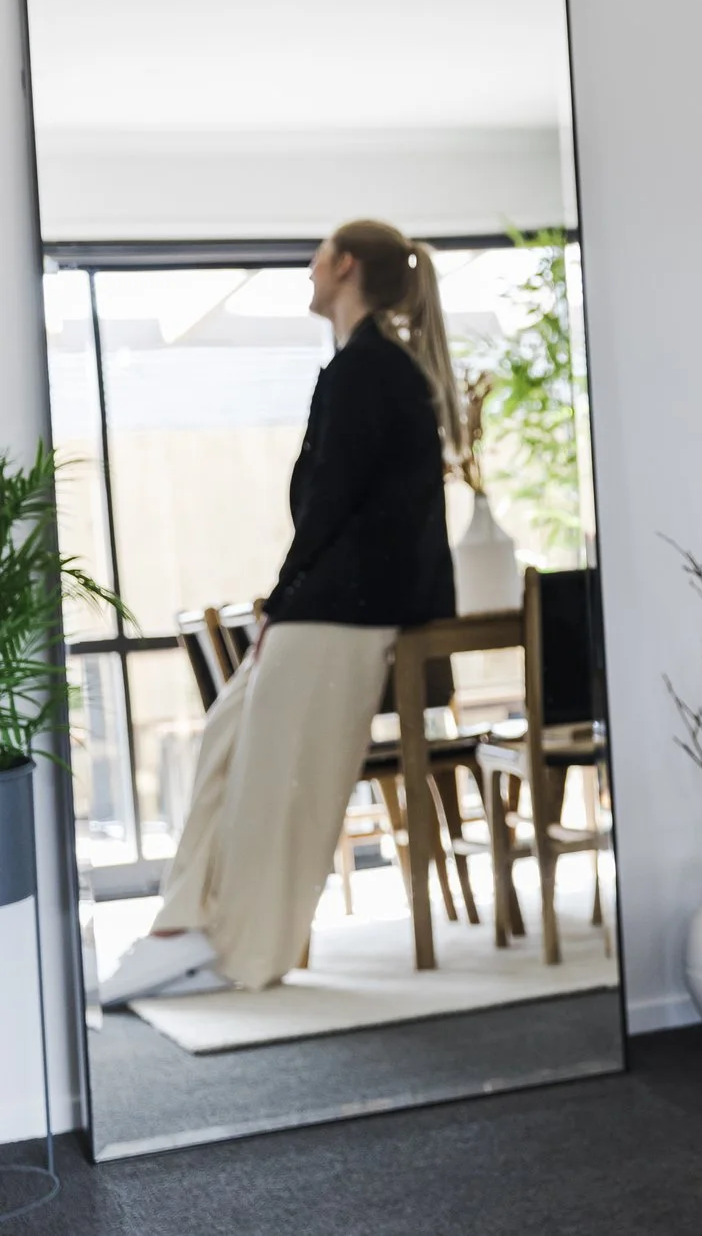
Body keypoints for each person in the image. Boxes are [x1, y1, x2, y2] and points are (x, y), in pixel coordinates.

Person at [102, 219, 463, 1003]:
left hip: (349, 609)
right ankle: (182, 925)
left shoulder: (372, 369)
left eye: (315, 259)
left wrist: (282, 599)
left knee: (274, 780)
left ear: (342, 266)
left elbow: (331, 507)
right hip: (329, 602)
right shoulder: (363, 366)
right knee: (224, 746)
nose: (306, 272)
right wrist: (285, 601)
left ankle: (243, 950)